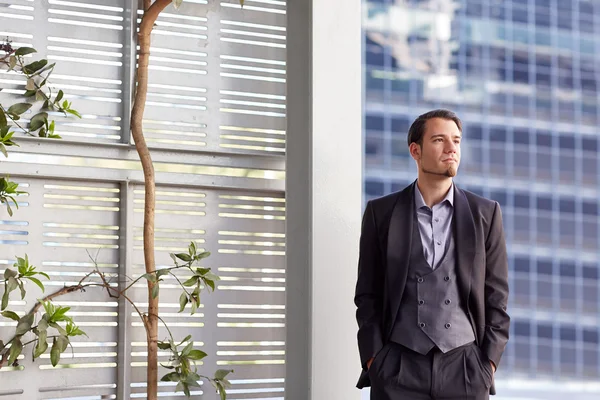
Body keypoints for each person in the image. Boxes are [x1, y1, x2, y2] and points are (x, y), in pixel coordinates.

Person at [354, 109, 510, 400]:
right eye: (439, 140)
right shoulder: (381, 213)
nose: (452, 148)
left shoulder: (486, 214)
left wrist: (487, 364)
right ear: (416, 150)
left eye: (457, 140)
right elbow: (367, 295)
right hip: (398, 369)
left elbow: (497, 298)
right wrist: (376, 360)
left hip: (465, 369)